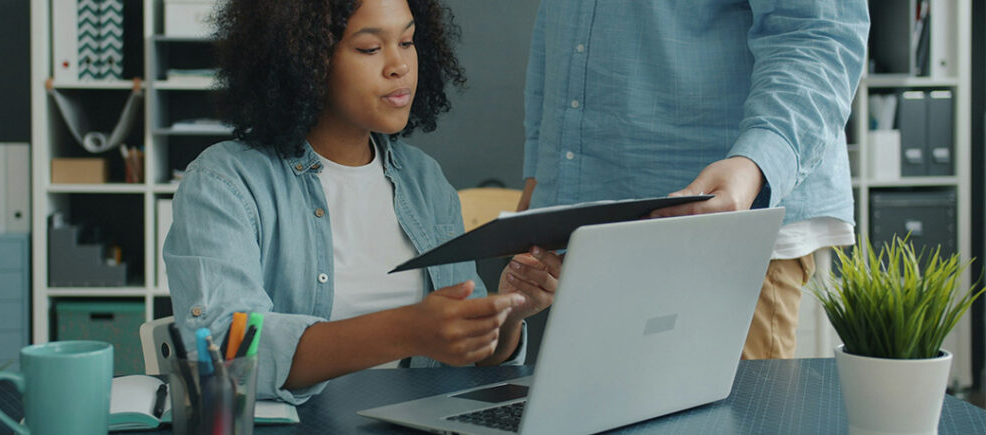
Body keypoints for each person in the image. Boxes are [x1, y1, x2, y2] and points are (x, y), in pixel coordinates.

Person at [164, 0, 561, 404]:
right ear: (304, 59)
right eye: (370, 49)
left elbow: (470, 358)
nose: (399, 65)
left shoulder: (426, 181)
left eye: (407, 42)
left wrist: (508, 314)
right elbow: (223, 350)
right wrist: (405, 330)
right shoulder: (225, 182)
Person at [519, 1, 869, 359]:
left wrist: (755, 164)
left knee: (732, 415)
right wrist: (539, 170)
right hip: (582, 228)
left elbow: (816, 31)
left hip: (723, 226)